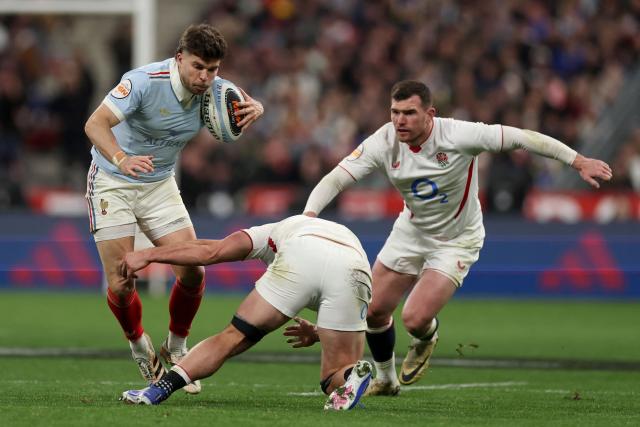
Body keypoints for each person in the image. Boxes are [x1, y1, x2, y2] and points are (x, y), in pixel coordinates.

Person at [302, 80, 613, 395]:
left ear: (430, 114)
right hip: (411, 230)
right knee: (374, 310)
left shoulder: (460, 135)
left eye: (409, 113)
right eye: (395, 112)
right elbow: (337, 177)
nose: (400, 120)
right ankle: (386, 380)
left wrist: (578, 161)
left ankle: (427, 337)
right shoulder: (384, 141)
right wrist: (308, 217)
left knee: (414, 317)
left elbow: (521, 138)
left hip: (457, 238)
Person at [83, 23, 264, 394]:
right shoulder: (143, 82)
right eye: (198, 66)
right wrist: (121, 157)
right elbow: (95, 123)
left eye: (213, 69)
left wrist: (257, 106)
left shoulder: (216, 90)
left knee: (194, 272)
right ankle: (139, 345)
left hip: (159, 184)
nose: (206, 77)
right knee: (120, 282)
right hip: (113, 181)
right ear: (179, 58)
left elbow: (239, 110)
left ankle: (177, 345)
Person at [118, 215, 373, 410]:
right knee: (334, 379)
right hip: (356, 267)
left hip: (302, 254)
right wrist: (318, 332)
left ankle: (156, 391)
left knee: (231, 337)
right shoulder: (332, 232)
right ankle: (354, 375)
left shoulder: (268, 233)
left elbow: (210, 252)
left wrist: (148, 254)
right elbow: (363, 316)